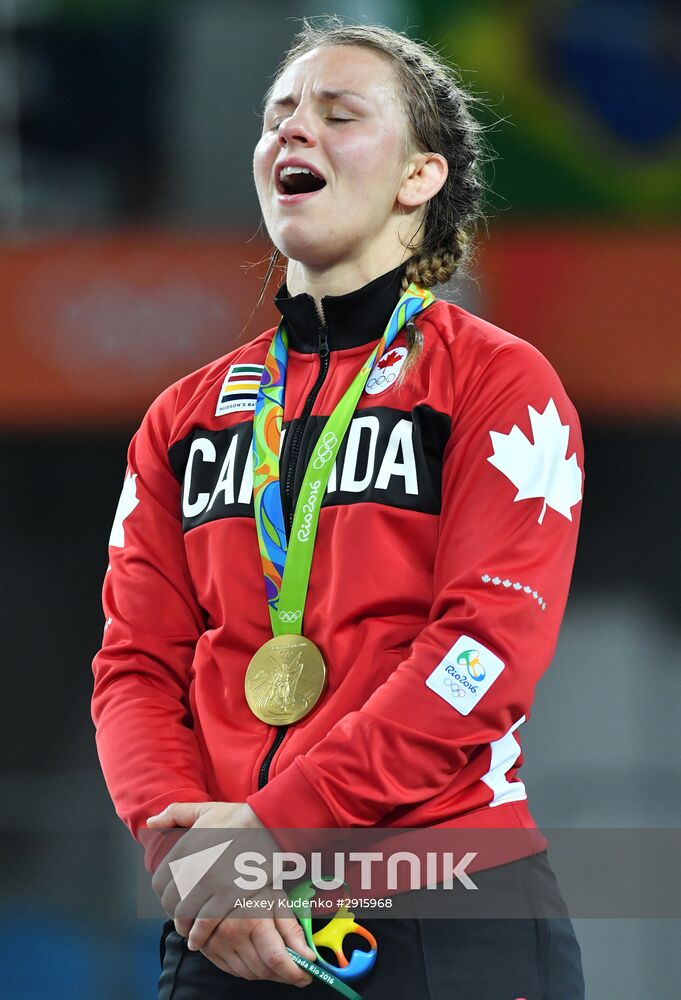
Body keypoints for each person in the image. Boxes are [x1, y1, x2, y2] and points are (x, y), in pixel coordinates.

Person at [91, 16, 586, 1000]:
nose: (292, 129)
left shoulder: (496, 383)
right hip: (233, 917)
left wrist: (279, 829)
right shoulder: (184, 418)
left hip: (446, 905)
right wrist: (188, 849)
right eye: (278, 113)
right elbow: (134, 667)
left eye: (338, 112)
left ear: (419, 176)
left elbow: (481, 652)